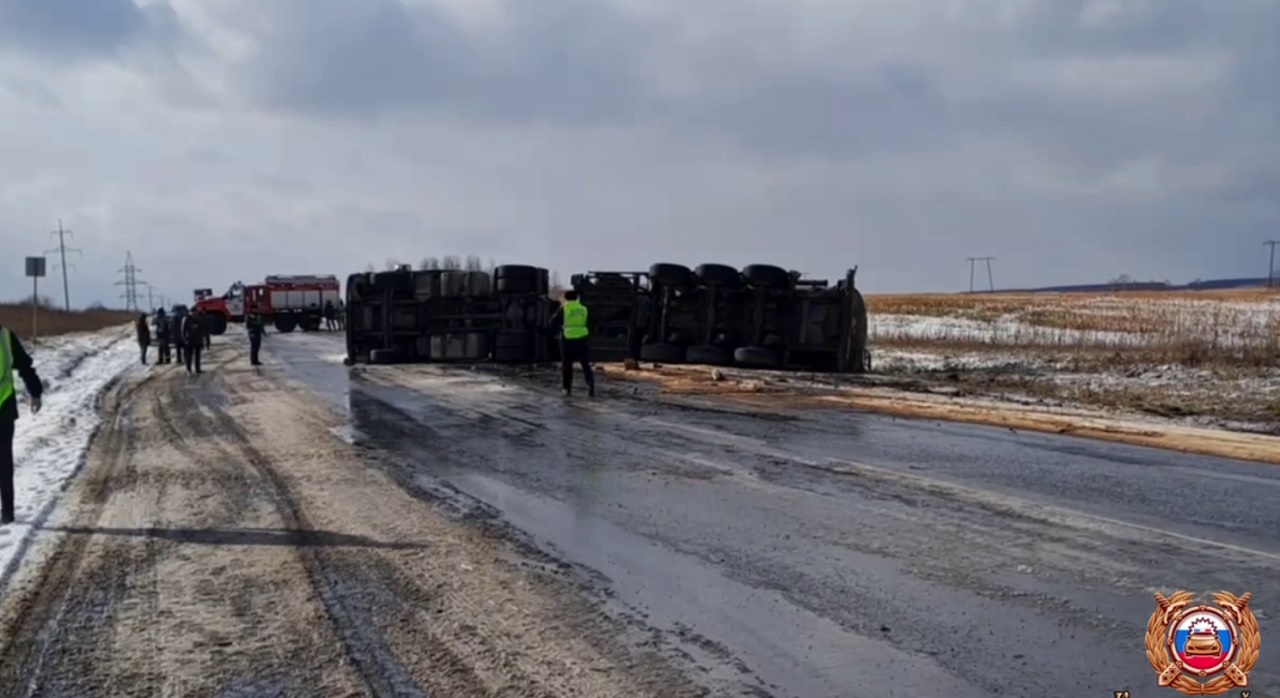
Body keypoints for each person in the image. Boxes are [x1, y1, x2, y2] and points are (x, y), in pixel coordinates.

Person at [1, 324, 43, 524]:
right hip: (4, 408)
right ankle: (7, 513)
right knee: (4, 463)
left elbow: (25, 366)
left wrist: (35, 391)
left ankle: (8, 513)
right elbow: (25, 366)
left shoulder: (5, 337)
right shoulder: (5, 337)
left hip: (4, 409)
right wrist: (35, 391)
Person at [551, 290, 595, 397]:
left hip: (568, 338)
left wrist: (559, 329)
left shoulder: (565, 308)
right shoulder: (584, 309)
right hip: (582, 338)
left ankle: (567, 388)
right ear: (577, 297)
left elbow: (553, 321)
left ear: (566, 298)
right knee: (585, 364)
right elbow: (592, 322)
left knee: (567, 364)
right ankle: (591, 387)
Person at [181, 310, 204, 374]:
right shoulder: (187, 320)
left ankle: (198, 369)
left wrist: (202, 341)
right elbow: (183, 330)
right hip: (190, 341)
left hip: (198, 341)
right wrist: (185, 339)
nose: (194, 314)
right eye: (193, 312)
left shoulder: (199, 319)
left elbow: (201, 330)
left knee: (197, 356)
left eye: (195, 312)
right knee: (189, 356)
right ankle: (189, 369)